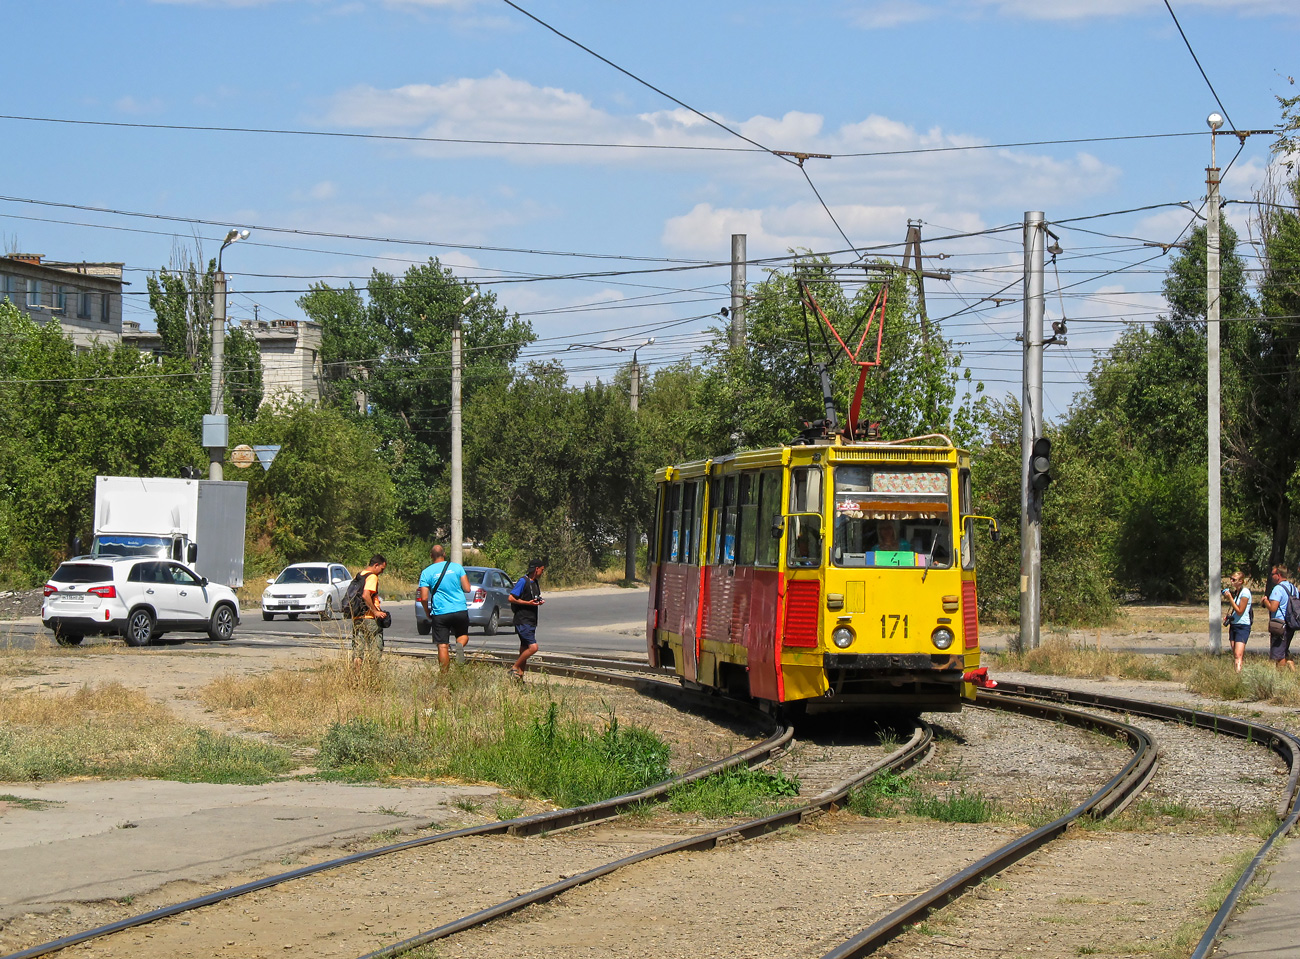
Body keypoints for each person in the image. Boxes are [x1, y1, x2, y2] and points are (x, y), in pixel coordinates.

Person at [417, 544, 472, 673]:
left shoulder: (426, 572)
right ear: (444, 554)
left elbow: (423, 598)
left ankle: (444, 676)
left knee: (442, 645)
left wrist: (427, 611)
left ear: (431, 556)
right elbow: (467, 588)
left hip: (440, 612)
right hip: (459, 609)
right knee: (463, 635)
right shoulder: (457, 567)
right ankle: (460, 646)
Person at [508, 561, 545, 680]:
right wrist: (527, 603)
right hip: (522, 619)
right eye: (542, 570)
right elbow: (511, 598)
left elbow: (532, 598)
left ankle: (519, 676)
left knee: (524, 648)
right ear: (537, 569)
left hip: (531, 620)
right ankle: (514, 667)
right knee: (533, 647)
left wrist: (538, 601)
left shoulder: (535, 582)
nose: (542, 572)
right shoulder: (523, 581)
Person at [351, 554, 387, 667]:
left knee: (358, 651)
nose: (382, 572)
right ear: (376, 565)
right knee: (375, 647)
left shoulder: (359, 575)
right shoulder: (372, 577)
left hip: (357, 617)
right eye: (382, 569)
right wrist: (375, 611)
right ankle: (372, 674)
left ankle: (357, 676)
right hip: (369, 617)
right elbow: (366, 595)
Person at [1261, 565, 1297, 672]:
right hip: (1291, 623)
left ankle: (1280, 676)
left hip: (1279, 625)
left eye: (1273, 574)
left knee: (1279, 654)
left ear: (1279, 575)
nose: (1271, 576)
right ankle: (1294, 672)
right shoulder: (1293, 588)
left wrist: (1265, 601)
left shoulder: (1278, 589)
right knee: (1284, 650)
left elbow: (1273, 607)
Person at [1223, 570, 1251, 673]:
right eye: (1231, 579)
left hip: (1242, 626)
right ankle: (1236, 673)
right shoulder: (1237, 592)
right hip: (1234, 625)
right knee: (1235, 653)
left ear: (1241, 581)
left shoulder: (1245, 593)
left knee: (1238, 654)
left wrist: (1230, 598)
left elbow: (1240, 611)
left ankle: (1238, 674)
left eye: (1234, 579)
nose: (1231, 581)